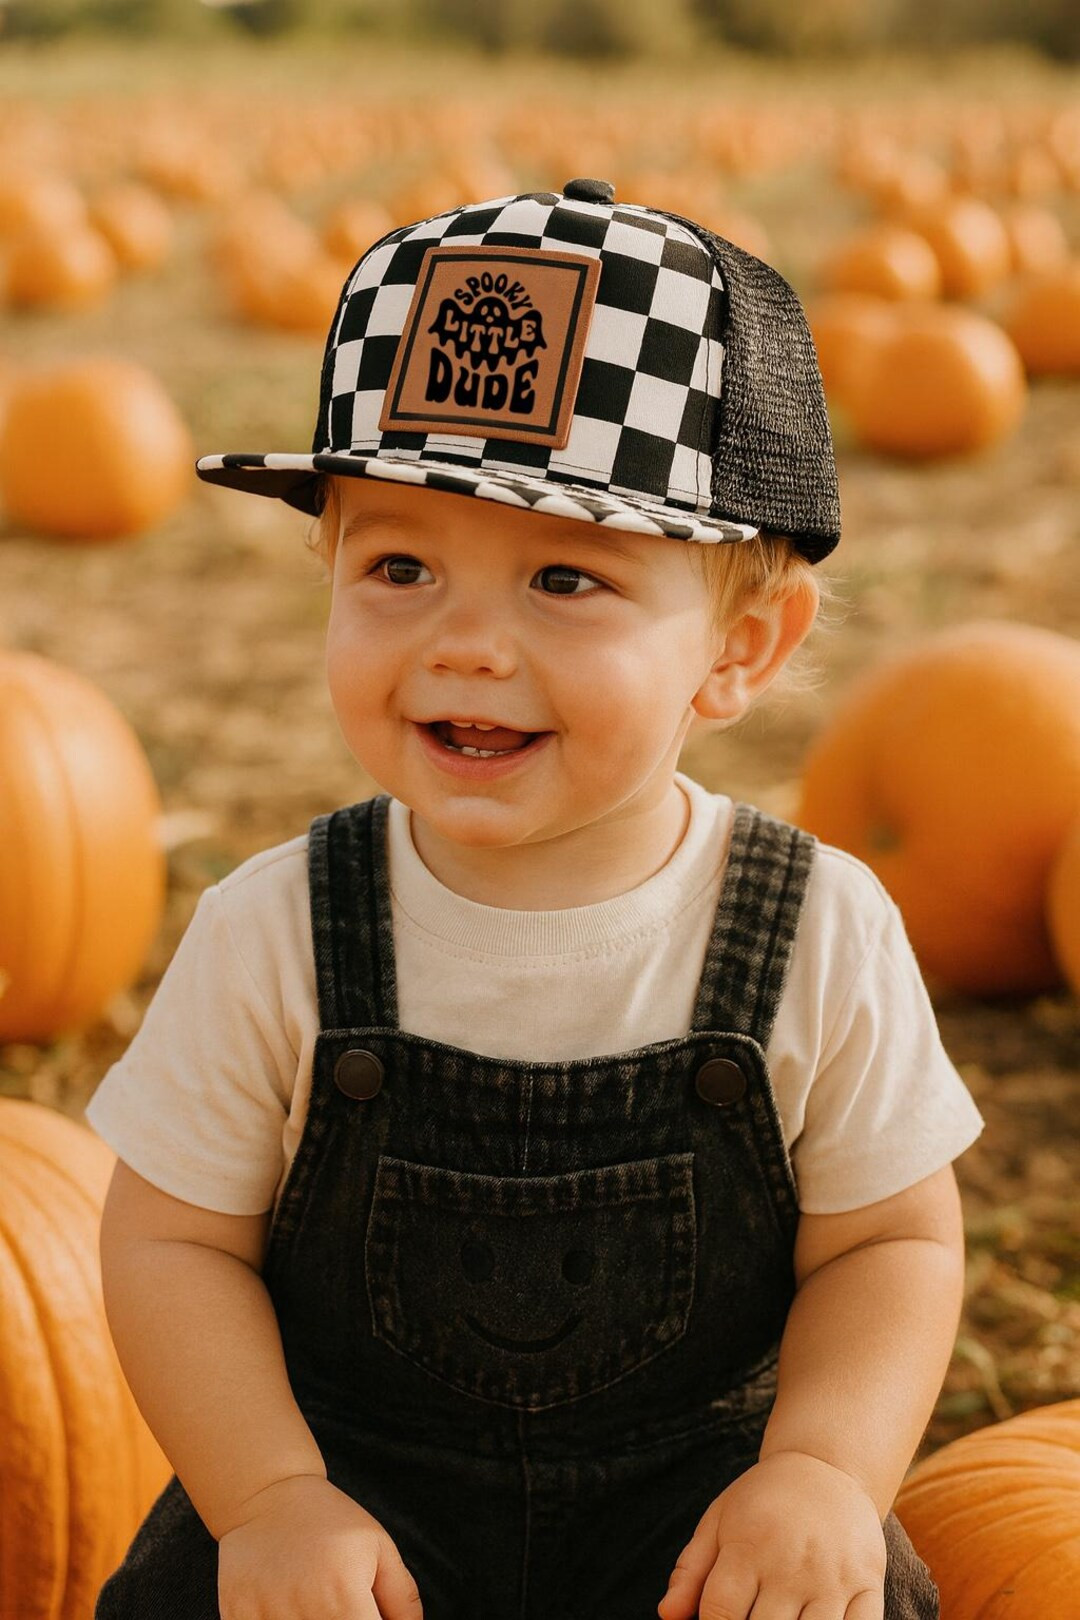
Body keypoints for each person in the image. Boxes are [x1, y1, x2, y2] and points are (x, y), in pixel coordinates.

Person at [86, 178, 985, 1620]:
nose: (467, 646)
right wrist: (267, 1499)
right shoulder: (275, 929)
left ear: (744, 648)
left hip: (700, 1515)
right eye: (398, 567)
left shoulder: (821, 927)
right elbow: (171, 1242)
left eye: (565, 578)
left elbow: (891, 1245)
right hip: (348, 1496)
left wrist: (822, 1470)